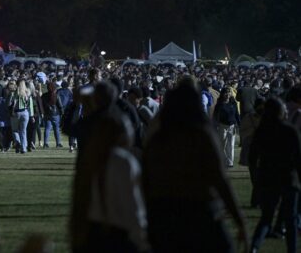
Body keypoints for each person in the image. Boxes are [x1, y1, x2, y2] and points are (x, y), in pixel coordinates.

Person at [143, 78, 248, 253]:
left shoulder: (158, 138)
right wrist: (239, 220)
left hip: (164, 214)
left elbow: (145, 179)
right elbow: (219, 179)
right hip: (199, 212)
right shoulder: (201, 135)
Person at [70, 114, 148, 252]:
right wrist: (141, 240)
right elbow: (133, 206)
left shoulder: (89, 160)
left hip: (91, 232)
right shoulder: (123, 161)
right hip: (117, 233)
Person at [248, 97, 300, 253]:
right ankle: (291, 250)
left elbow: (252, 157)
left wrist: (257, 178)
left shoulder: (262, 131)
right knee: (290, 220)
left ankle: (254, 247)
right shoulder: (290, 131)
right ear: (280, 111)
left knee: (266, 219)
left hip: (268, 178)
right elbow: (298, 159)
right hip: (288, 178)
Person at [214, 87, 241, 168]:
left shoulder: (233, 103)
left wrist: (239, 125)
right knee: (222, 145)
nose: (227, 94)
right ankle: (224, 159)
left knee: (231, 145)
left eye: (229, 92)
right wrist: (216, 126)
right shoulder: (219, 104)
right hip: (222, 126)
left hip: (232, 126)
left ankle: (230, 162)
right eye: (226, 92)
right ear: (222, 94)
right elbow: (216, 116)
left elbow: (237, 114)